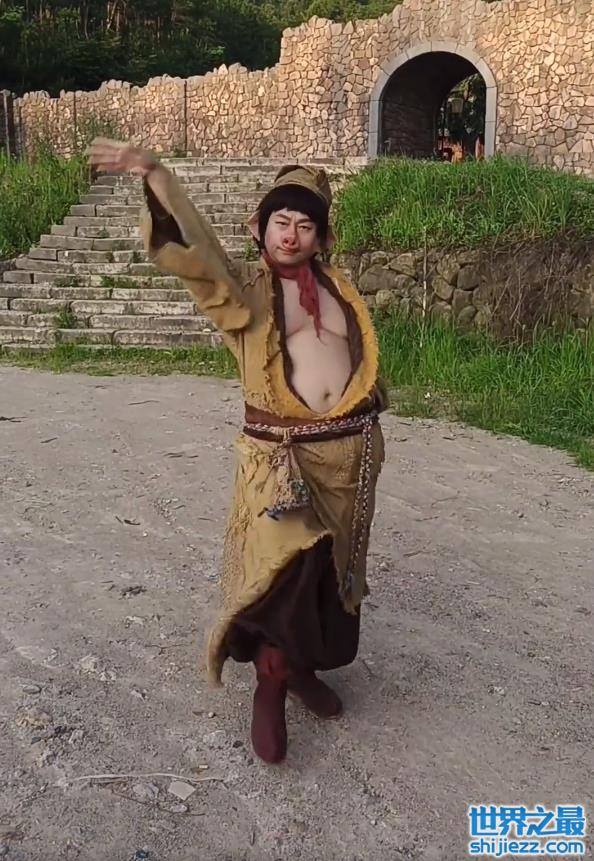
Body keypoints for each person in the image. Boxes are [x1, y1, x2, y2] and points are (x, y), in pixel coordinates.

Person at [87, 139, 387, 764]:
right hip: (280, 463)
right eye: (281, 221)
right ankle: (270, 684)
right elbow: (200, 258)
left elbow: (359, 367)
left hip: (346, 460)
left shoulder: (340, 291)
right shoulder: (245, 295)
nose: (291, 234)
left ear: (322, 237)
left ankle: (301, 671)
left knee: (329, 576)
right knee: (285, 574)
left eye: (305, 225)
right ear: (260, 227)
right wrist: (156, 174)